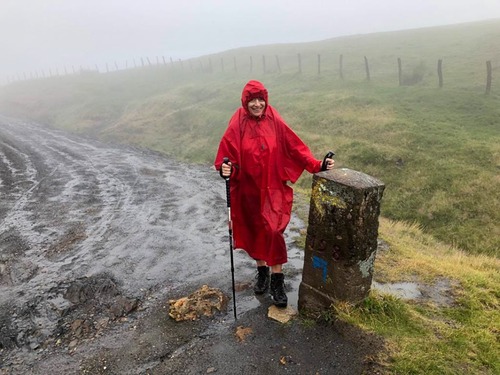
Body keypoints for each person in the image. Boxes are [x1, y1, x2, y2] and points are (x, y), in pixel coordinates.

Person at [214, 80, 334, 308]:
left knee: (273, 230)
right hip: (248, 189)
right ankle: (262, 272)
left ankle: (277, 280)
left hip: (273, 188)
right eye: (252, 100)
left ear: (266, 100)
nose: (257, 104)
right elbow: (225, 156)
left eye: (261, 100)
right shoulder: (237, 122)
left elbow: (294, 147)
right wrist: (225, 168)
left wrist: (317, 165)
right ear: (245, 101)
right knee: (254, 229)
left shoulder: (274, 119)